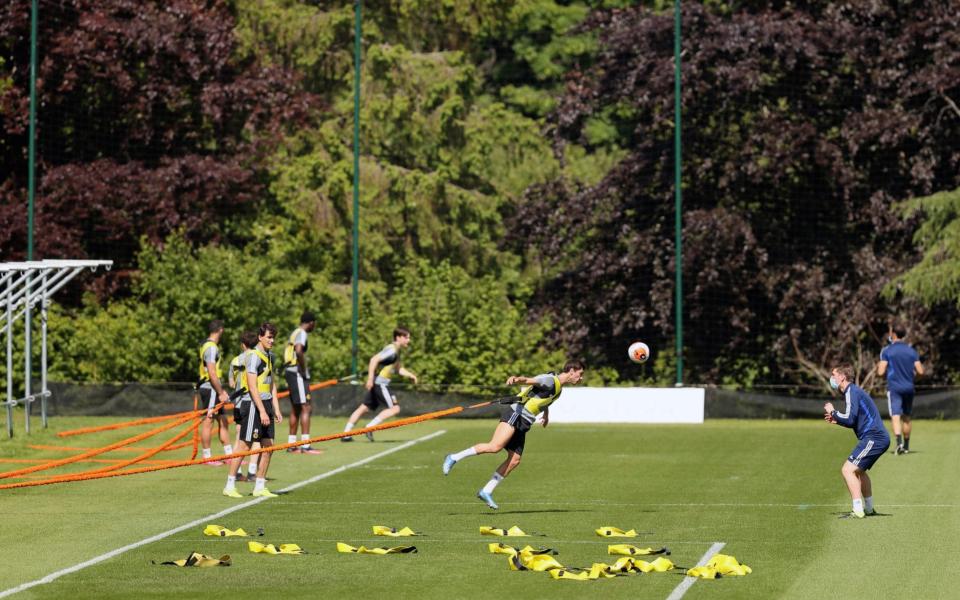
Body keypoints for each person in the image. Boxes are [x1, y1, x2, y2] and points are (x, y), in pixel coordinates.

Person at [442, 360, 585, 510]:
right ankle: (453, 457)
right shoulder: (550, 380)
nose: (580, 378)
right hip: (516, 414)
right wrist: (517, 379)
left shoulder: (559, 389)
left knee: (514, 460)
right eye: (580, 374)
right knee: (494, 446)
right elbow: (531, 381)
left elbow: (543, 400)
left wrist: (546, 414)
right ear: (571, 371)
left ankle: (486, 491)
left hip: (524, 422)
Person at [223, 323, 282, 498]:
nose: (272, 341)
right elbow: (252, 386)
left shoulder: (270, 356)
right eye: (269, 337)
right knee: (244, 445)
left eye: (273, 337)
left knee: (268, 447)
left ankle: (259, 486)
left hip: (267, 405)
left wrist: (275, 408)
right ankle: (230, 485)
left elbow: (271, 384)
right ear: (260, 337)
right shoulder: (253, 357)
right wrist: (262, 411)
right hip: (253, 406)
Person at [823, 365, 890, 519]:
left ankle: (857, 510)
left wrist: (833, 411)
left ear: (842, 377)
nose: (831, 378)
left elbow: (850, 418)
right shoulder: (853, 391)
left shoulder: (851, 392)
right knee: (859, 471)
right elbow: (852, 420)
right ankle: (869, 508)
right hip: (876, 437)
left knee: (847, 470)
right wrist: (837, 420)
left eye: (833, 374)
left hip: (874, 437)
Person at [342, 327, 418, 442]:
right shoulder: (391, 349)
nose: (409, 340)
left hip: (378, 383)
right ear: (398, 337)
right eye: (406, 337)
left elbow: (398, 369)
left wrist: (411, 375)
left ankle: (346, 434)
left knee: (363, 408)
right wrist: (370, 379)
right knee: (395, 408)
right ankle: (369, 427)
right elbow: (374, 360)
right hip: (381, 384)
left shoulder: (396, 351)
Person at [877, 325, 924, 454]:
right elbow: (920, 371)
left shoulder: (887, 350)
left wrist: (880, 369)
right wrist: (915, 378)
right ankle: (907, 446)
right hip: (909, 387)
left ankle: (899, 444)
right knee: (907, 417)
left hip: (894, 388)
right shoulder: (911, 351)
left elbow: (880, 372)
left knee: (896, 415)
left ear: (893, 335)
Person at [283, 312, 321, 454]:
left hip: (289, 371)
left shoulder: (295, 332)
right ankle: (305, 445)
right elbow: (299, 351)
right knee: (306, 407)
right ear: (310, 322)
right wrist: (304, 370)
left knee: (296, 408)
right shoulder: (302, 333)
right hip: (297, 372)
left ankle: (291, 444)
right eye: (314, 323)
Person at [197, 320, 232, 465]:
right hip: (211, 388)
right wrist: (221, 392)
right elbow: (211, 372)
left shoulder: (208, 345)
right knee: (209, 420)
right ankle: (207, 457)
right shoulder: (211, 347)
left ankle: (229, 455)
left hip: (214, 388)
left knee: (223, 419)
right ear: (221, 330)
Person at [228, 331, 260, 481]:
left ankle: (237, 472)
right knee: (256, 438)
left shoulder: (235, 360)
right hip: (251, 402)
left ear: (243, 344)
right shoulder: (256, 358)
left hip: (238, 403)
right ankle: (252, 472)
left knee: (239, 439)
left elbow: (231, 383)